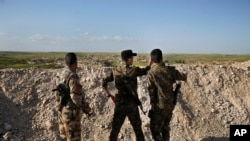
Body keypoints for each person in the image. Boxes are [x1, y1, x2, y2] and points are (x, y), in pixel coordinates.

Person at [102, 49, 151, 141]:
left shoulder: (115, 70)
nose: (133, 59)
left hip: (120, 104)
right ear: (129, 59)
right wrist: (150, 63)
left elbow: (104, 82)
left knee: (115, 131)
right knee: (138, 131)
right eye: (132, 57)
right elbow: (146, 70)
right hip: (131, 105)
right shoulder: (134, 70)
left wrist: (109, 95)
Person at [146, 49, 187, 141]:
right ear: (162, 58)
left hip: (159, 107)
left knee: (155, 130)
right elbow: (183, 77)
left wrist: (153, 106)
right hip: (170, 105)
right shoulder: (170, 70)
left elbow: (151, 91)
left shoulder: (151, 73)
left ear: (151, 59)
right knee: (165, 127)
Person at [55, 52, 91, 141]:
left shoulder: (60, 73)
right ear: (75, 63)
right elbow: (75, 98)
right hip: (71, 115)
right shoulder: (72, 76)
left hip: (61, 110)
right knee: (73, 138)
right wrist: (86, 108)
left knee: (63, 137)